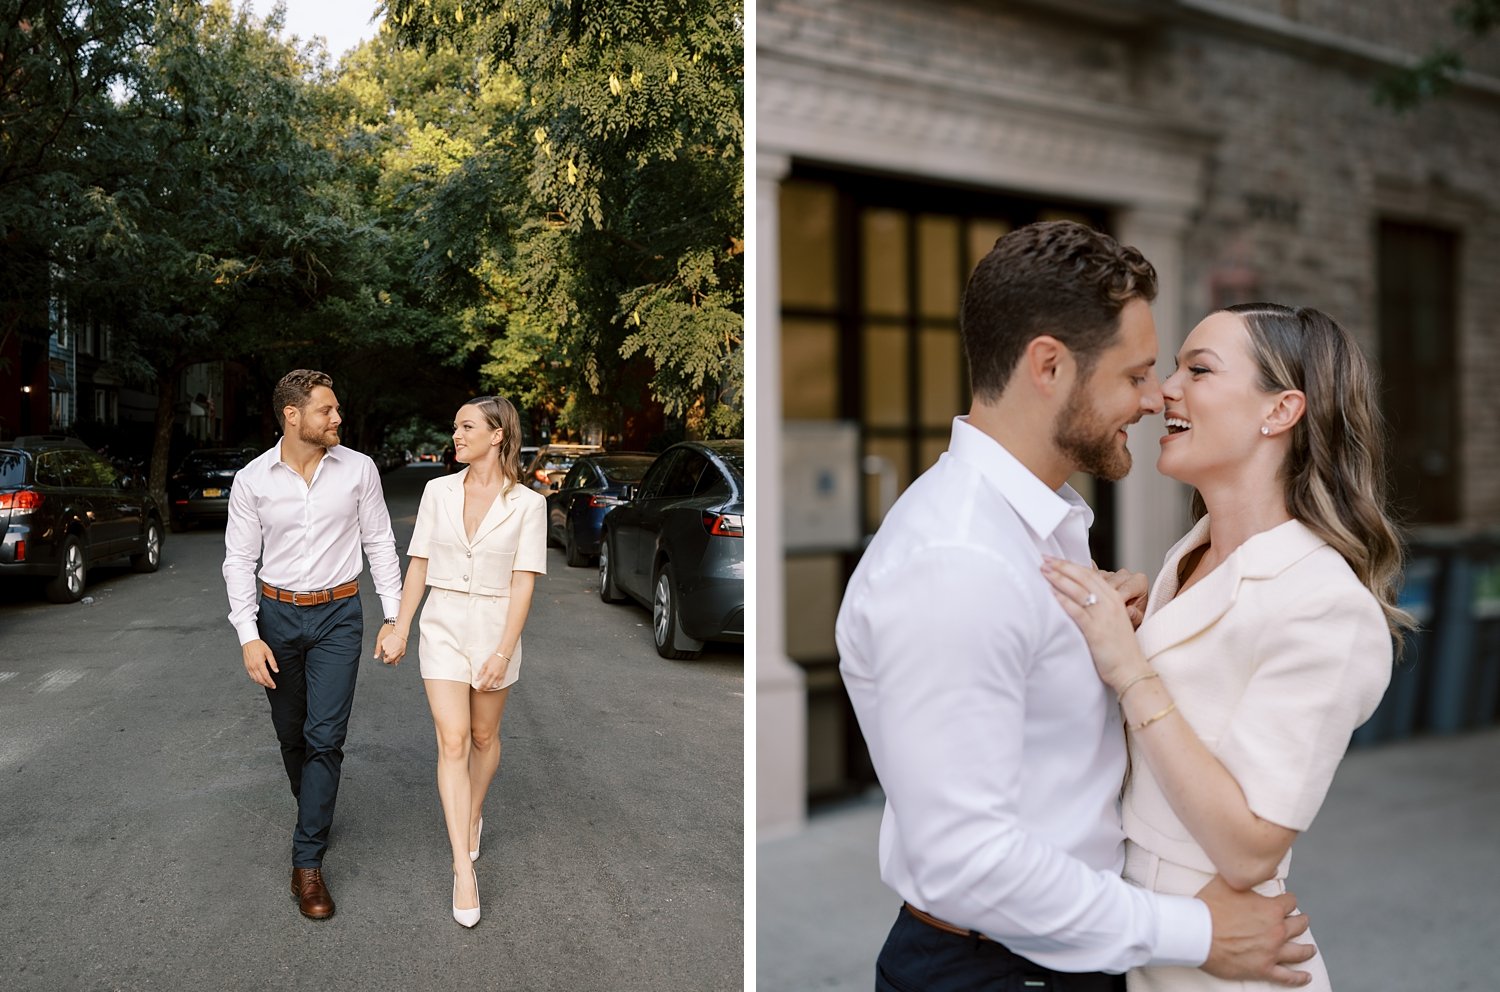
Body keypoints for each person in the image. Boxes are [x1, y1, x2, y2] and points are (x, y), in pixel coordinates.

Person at [835, 221, 1317, 992]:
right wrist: (1195, 934)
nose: (1156, 398)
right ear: (1050, 366)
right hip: (996, 969)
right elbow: (970, 859)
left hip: (1057, 958)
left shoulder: (1038, 528)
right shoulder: (958, 564)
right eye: (1135, 375)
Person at [1041, 303, 1409, 991]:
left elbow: (1247, 849)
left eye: (1198, 370)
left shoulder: (1326, 605)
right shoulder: (1191, 555)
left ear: (1281, 411)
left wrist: (1129, 665)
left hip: (1222, 963)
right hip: (1136, 934)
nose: (1164, 392)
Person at [223, 369, 403, 920]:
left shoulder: (359, 470)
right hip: (276, 616)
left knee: (325, 736)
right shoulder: (253, 480)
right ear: (293, 415)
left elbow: (379, 541)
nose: (338, 419)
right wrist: (249, 636)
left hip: (338, 617)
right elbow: (238, 561)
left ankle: (308, 862)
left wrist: (394, 618)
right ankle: (315, 810)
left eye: (338, 410)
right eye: (328, 410)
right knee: (292, 734)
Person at [376, 395, 546, 927]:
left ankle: (473, 814)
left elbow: (524, 586)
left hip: (497, 627)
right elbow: (419, 565)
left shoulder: (528, 504)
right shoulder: (437, 491)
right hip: (443, 624)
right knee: (451, 740)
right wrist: (400, 627)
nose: (457, 434)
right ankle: (462, 869)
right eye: (456, 426)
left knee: (482, 738)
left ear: (497, 435)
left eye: (467, 426)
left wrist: (502, 651)